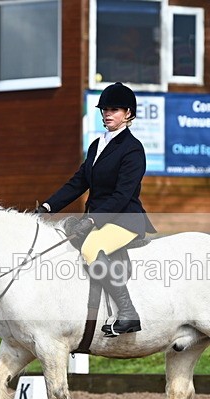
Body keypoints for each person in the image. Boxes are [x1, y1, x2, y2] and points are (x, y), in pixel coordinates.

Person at [35, 82, 155, 336]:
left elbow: (123, 195)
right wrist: (47, 206)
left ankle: (127, 313)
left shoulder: (133, 149)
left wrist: (92, 221)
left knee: (92, 248)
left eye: (114, 110)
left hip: (125, 220)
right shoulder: (97, 145)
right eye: (104, 110)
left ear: (129, 114)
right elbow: (78, 182)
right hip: (100, 218)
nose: (107, 114)